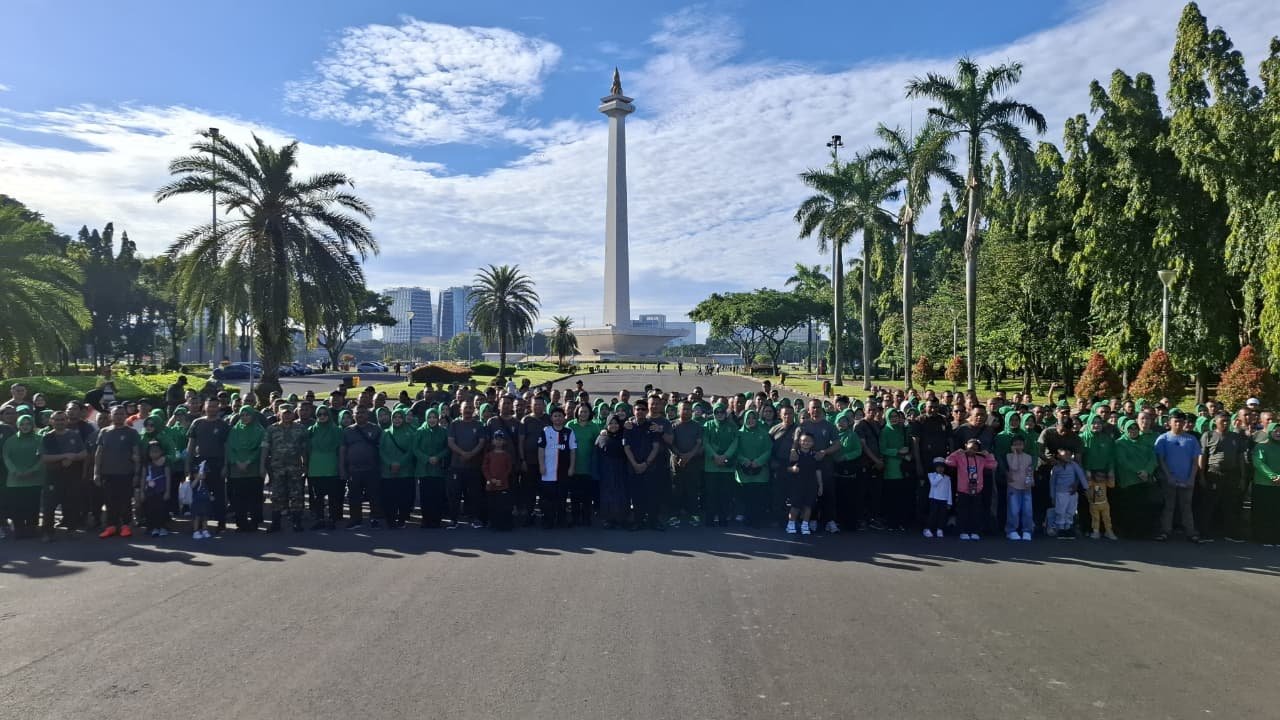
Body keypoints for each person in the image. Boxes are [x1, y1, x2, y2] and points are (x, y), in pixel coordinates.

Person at [1199, 412, 1249, 542]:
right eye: (1222, 421)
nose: (1225, 423)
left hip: (1231, 474)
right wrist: (1201, 476)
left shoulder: (1236, 437)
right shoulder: (1208, 435)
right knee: (1209, 504)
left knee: (1230, 504)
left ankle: (1230, 533)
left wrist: (1243, 477)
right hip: (1213, 473)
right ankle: (1205, 533)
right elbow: (1203, 457)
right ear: (1216, 421)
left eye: (1227, 421)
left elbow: (1241, 458)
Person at [1153, 411, 1201, 543]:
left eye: (1181, 421)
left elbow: (1195, 461)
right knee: (1169, 506)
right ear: (1169, 423)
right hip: (1169, 479)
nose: (1179, 424)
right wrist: (1169, 477)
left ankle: (1191, 532)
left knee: (1186, 506)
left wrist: (1191, 478)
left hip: (1186, 479)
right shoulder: (1163, 439)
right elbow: (1160, 460)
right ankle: (1165, 531)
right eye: (1176, 421)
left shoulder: (1191, 440)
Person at [95, 405, 142, 539]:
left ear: (125, 416)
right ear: (111, 416)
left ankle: (126, 526)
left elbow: (136, 454)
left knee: (125, 501)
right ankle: (111, 526)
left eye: (122, 414)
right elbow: (99, 454)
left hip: (126, 473)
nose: (119, 416)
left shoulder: (132, 433)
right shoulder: (104, 432)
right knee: (109, 501)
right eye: (116, 414)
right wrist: (96, 473)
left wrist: (137, 473)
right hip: (108, 473)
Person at [40, 410, 88, 538]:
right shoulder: (47, 437)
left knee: (72, 503)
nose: (59, 422)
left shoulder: (74, 435)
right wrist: (64, 457)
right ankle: (48, 532)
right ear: (51, 421)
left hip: (71, 475)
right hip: (53, 475)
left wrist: (73, 457)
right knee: (49, 506)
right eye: (57, 419)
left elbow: (83, 454)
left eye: (62, 419)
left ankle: (72, 529)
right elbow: (44, 458)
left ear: (67, 421)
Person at [262, 404, 309, 532]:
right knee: (277, 496)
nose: (287, 415)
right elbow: (265, 447)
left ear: (293, 414)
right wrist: (263, 465)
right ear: (278, 414)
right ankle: (276, 524)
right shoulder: (271, 429)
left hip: (295, 467)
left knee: (296, 495)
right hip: (277, 468)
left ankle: (297, 523)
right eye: (284, 413)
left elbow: (304, 448)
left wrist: (305, 465)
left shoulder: (300, 428)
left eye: (289, 413)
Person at [186, 399, 230, 534]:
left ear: (218, 408)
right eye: (209, 406)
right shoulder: (197, 423)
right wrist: (188, 466)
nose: (212, 409)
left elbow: (227, 447)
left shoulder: (223, 425)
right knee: (199, 494)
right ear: (204, 407)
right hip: (200, 463)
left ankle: (221, 522)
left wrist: (226, 466)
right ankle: (198, 524)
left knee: (219, 494)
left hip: (217, 463)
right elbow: (191, 446)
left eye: (214, 406)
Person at [3, 414, 45, 539]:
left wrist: (32, 470)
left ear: (32, 424)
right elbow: (6, 456)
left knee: (33, 505)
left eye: (28, 424)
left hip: (34, 479)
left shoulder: (39, 439)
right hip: (15, 480)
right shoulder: (10, 440)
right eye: (22, 424)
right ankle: (19, 530)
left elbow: (43, 458)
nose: (25, 426)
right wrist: (14, 470)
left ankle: (32, 528)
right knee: (17, 506)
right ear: (18, 425)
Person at [945, 438, 996, 541]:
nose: (972, 450)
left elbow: (993, 465)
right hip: (963, 490)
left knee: (976, 512)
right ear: (965, 446)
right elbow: (948, 461)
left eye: (975, 448)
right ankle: (962, 531)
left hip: (976, 490)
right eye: (970, 448)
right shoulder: (960, 457)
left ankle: (974, 531)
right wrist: (956, 453)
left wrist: (988, 455)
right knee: (963, 511)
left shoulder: (981, 459)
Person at [226, 406, 266, 533]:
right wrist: (237, 462)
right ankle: (241, 523)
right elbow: (229, 448)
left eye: (247, 414)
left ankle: (254, 522)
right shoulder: (234, 430)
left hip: (253, 469)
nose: (244, 417)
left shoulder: (260, 431)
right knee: (238, 498)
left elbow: (261, 449)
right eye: (242, 415)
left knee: (254, 498)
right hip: (237, 470)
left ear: (253, 416)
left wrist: (249, 461)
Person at [536, 407, 575, 529]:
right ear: (551, 418)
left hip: (563, 472)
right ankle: (548, 520)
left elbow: (573, 451)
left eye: (560, 416)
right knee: (548, 499)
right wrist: (541, 465)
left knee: (561, 498)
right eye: (555, 416)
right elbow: (541, 450)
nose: (558, 418)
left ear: (564, 418)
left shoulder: (569, 432)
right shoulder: (546, 431)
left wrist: (572, 467)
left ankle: (561, 520)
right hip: (548, 472)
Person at [701, 403, 738, 528]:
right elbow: (705, 442)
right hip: (711, 466)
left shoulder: (732, 426)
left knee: (725, 494)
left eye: (722, 412)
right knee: (711, 494)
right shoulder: (708, 425)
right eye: (717, 412)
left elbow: (735, 442)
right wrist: (715, 456)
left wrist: (725, 456)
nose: (719, 414)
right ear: (713, 413)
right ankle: (710, 518)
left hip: (727, 468)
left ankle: (723, 518)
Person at [379, 407, 417, 529]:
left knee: (404, 497)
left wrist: (399, 463)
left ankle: (402, 519)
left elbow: (411, 451)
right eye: (395, 417)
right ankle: (390, 519)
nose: (397, 420)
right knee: (389, 497)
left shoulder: (410, 433)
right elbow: (381, 451)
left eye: (400, 417)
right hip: (388, 472)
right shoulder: (385, 433)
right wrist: (390, 464)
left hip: (405, 471)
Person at [307, 406, 343, 530]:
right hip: (315, 467)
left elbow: (340, 449)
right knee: (318, 497)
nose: (322, 416)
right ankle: (320, 519)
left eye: (324, 414)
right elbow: (306, 449)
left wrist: (341, 466)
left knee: (333, 496)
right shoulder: (311, 430)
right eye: (319, 414)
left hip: (331, 466)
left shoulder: (336, 430)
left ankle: (332, 519)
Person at [414, 407, 450, 529]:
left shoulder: (443, 432)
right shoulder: (420, 431)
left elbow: (447, 448)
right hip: (424, 469)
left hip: (438, 469)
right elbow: (415, 449)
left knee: (437, 495)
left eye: (434, 417)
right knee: (425, 496)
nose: (432, 420)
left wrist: (438, 457)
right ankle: (426, 519)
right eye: (429, 417)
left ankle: (436, 520)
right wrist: (426, 458)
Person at [734, 409, 772, 527]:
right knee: (746, 498)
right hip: (744, 472)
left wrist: (759, 461)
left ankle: (757, 520)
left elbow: (769, 449)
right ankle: (747, 519)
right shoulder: (739, 433)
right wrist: (744, 460)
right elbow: (736, 449)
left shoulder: (764, 433)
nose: (751, 420)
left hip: (760, 472)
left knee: (758, 498)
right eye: (748, 418)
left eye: (753, 418)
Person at [565, 403, 601, 527]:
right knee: (575, 495)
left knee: (587, 495)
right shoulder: (570, 425)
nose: (583, 414)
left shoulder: (594, 426)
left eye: (586, 412)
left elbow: (598, 443)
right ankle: (575, 518)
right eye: (581, 411)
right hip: (573, 464)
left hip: (588, 465)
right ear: (577, 412)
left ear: (589, 413)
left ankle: (586, 518)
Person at [670, 401, 704, 527]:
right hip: (676, 463)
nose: (687, 411)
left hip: (693, 463)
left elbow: (699, 444)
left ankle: (694, 515)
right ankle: (674, 515)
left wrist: (689, 456)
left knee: (692, 490)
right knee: (676, 490)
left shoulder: (697, 426)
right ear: (679, 410)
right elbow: (671, 444)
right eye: (684, 409)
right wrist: (679, 455)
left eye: (689, 409)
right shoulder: (673, 424)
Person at [594, 415, 629, 529]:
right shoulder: (601, 437)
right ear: (607, 425)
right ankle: (608, 519)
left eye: (616, 423)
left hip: (621, 469)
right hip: (606, 470)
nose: (613, 426)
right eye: (611, 423)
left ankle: (621, 518)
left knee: (621, 494)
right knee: (607, 494)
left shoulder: (624, 436)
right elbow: (596, 455)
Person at [785, 432, 822, 535]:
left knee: (808, 505)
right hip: (797, 484)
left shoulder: (815, 455)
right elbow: (787, 468)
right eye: (803, 441)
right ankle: (790, 524)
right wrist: (792, 469)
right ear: (799, 442)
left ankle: (805, 524)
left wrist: (820, 485)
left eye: (809, 441)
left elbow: (818, 471)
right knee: (795, 505)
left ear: (813, 443)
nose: (806, 443)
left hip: (811, 484)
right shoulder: (795, 454)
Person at [1250, 423, 1280, 545]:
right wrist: (1273, 476)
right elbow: (1258, 463)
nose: (1278, 433)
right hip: (1263, 485)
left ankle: (1276, 538)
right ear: (1269, 432)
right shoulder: (1261, 446)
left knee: (1276, 513)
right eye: (1276, 431)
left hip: (1278, 486)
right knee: (1264, 513)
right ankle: (1263, 538)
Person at [1048, 448, 1088, 538]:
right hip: (1060, 493)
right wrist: (1052, 496)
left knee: (1071, 511)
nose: (1068, 456)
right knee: (1060, 511)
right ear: (1058, 455)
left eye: (1069, 454)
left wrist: (1086, 488)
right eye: (1065, 454)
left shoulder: (1074, 465)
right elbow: (1052, 482)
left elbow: (1080, 474)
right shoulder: (1055, 468)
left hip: (1072, 493)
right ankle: (1060, 529)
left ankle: (1068, 528)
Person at [482, 430, 516, 531]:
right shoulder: (489, 455)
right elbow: (484, 468)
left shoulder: (506, 455)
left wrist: (502, 479)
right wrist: (490, 479)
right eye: (496, 439)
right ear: (493, 441)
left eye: (500, 440)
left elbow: (508, 469)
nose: (498, 442)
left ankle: (503, 524)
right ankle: (493, 523)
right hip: (491, 484)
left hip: (503, 484)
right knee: (492, 504)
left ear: (504, 442)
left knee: (502, 505)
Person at [1004, 436, 1035, 541]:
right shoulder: (1009, 456)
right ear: (1012, 446)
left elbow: (1030, 470)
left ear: (1024, 445)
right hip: (1014, 485)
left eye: (1020, 444)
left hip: (1026, 486)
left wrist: (1030, 480)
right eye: (1015, 444)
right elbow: (1014, 467)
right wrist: (1016, 454)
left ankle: (1027, 530)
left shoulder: (1028, 457)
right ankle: (1011, 530)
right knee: (1013, 510)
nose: (1018, 446)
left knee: (1027, 510)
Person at [141, 441, 172, 537]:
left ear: (161, 451)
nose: (154, 454)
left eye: (157, 451)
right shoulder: (147, 464)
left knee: (161, 508)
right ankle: (153, 527)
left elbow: (168, 476)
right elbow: (143, 477)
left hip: (161, 489)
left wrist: (167, 491)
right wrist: (142, 491)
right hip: (150, 490)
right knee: (151, 509)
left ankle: (162, 527)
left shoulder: (165, 462)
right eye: (152, 452)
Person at [924, 457, 952, 538]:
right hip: (934, 498)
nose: (940, 468)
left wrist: (949, 502)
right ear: (935, 467)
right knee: (933, 515)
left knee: (942, 515)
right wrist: (940, 476)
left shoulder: (947, 478)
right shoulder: (931, 475)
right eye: (938, 467)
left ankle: (940, 529)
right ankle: (928, 529)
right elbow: (933, 483)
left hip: (944, 499)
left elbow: (949, 490)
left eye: (942, 467)